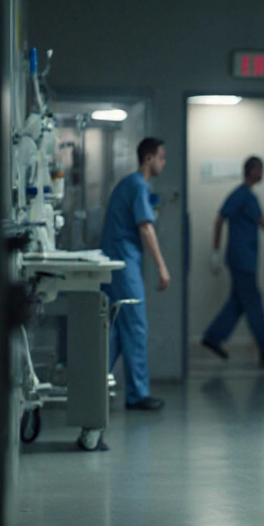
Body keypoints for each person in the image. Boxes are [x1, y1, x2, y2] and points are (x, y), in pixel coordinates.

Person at [201, 156, 264, 367]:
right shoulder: (240, 194)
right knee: (253, 301)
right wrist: (215, 250)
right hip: (241, 258)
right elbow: (219, 218)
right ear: (251, 171)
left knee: (238, 303)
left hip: (247, 258)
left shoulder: (250, 197)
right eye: (260, 169)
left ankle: (213, 337)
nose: (263, 174)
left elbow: (261, 221)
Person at [100, 137, 171, 411]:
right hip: (123, 263)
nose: (163, 162)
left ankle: (92, 384)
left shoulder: (130, 184)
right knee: (136, 326)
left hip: (115, 261)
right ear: (148, 158)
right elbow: (145, 228)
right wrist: (162, 267)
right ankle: (137, 393)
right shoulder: (138, 186)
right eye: (161, 157)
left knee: (117, 330)